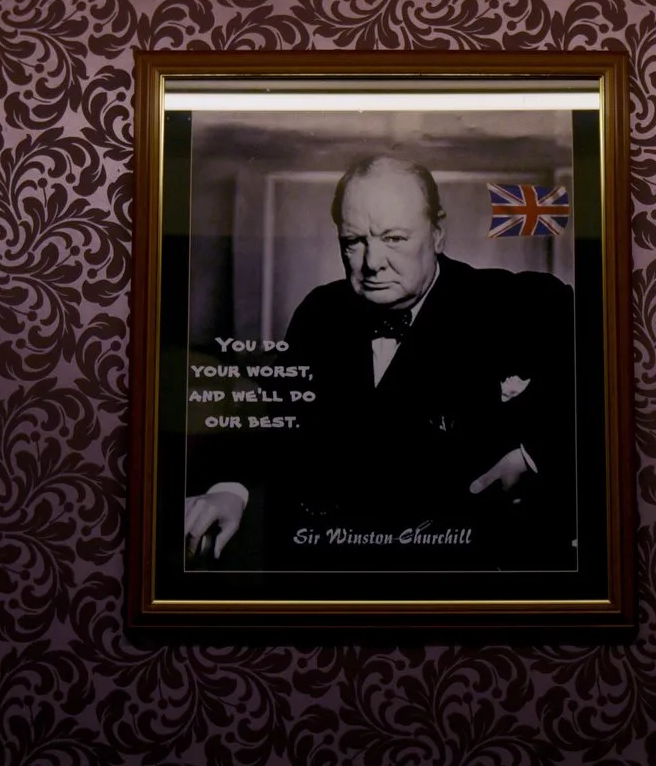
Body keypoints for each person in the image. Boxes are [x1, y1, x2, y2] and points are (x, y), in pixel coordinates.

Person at [183, 155, 576, 572]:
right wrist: (229, 488)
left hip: (465, 577)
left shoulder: (513, 302)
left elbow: (610, 368)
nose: (372, 263)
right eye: (354, 241)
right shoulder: (320, 311)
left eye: (394, 238)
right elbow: (276, 413)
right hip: (338, 574)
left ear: (438, 233)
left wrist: (535, 455)